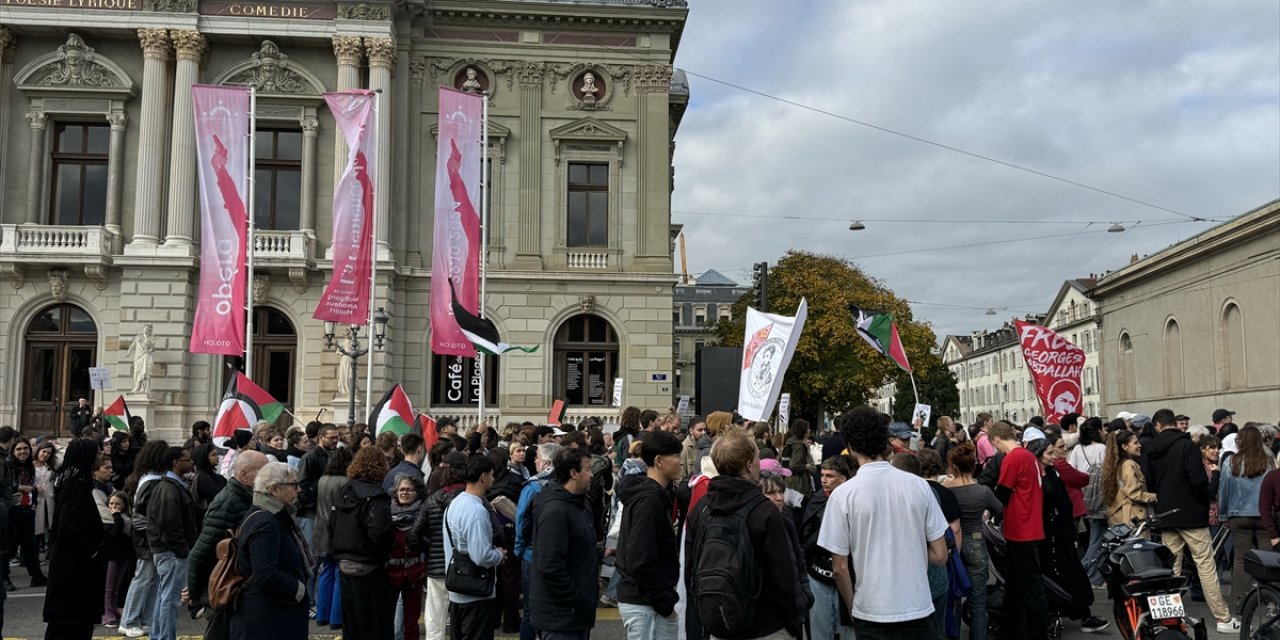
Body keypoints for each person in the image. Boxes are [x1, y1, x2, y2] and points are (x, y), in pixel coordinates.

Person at [817, 408, 946, 639]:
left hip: (871, 610)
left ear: (851, 446)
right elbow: (940, 554)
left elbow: (840, 567)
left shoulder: (843, 495)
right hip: (917, 605)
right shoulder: (919, 486)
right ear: (885, 441)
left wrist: (852, 607)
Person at [1142, 408, 1239, 632]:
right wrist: (1212, 479)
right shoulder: (1186, 445)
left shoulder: (1150, 449)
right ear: (1173, 424)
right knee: (1205, 566)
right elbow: (1197, 481)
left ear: (1157, 426)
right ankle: (1223, 619)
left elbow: (1151, 484)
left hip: (1166, 514)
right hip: (1191, 515)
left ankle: (1169, 618)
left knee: (1172, 569)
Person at [1030, 434, 1109, 633]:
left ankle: (1081, 613)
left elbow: (1063, 500)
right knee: (1055, 573)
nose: (1056, 454)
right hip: (1046, 535)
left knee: (1070, 571)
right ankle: (1065, 613)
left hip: (1060, 531)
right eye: (1051, 451)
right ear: (1039, 455)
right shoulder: (1036, 476)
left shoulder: (1053, 472)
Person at [183, 449, 268, 633]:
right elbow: (200, 553)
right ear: (244, 475)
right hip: (226, 589)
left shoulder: (246, 498)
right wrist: (197, 597)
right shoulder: (227, 503)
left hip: (237, 588)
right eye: (263, 472)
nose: (268, 478)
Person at [228, 462, 310, 637]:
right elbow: (265, 573)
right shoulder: (265, 522)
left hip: (273, 613)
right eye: (293, 485)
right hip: (269, 617)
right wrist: (298, 590)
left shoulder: (271, 516)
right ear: (274, 490)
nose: (299, 490)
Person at [615, 431, 684, 640]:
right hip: (645, 603)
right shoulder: (649, 500)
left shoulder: (651, 495)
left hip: (646, 600)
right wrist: (664, 604)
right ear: (659, 461)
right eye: (677, 456)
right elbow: (639, 560)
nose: (681, 462)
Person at [528, 448, 599, 640]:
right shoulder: (556, 510)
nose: (592, 475)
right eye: (588, 469)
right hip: (560, 618)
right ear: (573, 473)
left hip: (574, 615)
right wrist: (578, 598)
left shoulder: (580, 503)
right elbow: (550, 565)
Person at [42, 440, 107, 639]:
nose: (101, 456)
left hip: (69, 564)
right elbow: (69, 526)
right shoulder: (76, 483)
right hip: (75, 567)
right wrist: (92, 550)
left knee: (65, 623)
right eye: (97, 453)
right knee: (72, 624)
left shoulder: (69, 479)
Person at [989, 421, 1047, 640]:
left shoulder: (1013, 458)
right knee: (1014, 586)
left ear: (996, 439)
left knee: (1031, 589)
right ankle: (1010, 631)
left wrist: (988, 511)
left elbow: (1001, 493)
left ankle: (1036, 634)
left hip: (1021, 528)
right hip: (1025, 526)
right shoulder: (1027, 456)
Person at [331, 447, 394, 640]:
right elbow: (380, 533)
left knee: (352, 626)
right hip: (370, 567)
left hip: (345, 563)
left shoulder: (345, 491)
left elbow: (332, 524)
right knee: (375, 626)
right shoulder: (377, 496)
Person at [443, 455, 506, 640]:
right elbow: (481, 557)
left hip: (457, 590)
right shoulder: (477, 512)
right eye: (492, 475)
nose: (494, 479)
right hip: (476, 595)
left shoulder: (453, 505)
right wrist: (499, 555)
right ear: (483, 477)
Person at [944, 443, 1001, 640]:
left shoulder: (945, 490)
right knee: (978, 602)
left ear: (953, 465)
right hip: (976, 540)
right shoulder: (982, 491)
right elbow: (1000, 509)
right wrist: (985, 514)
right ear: (974, 465)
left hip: (952, 543)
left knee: (953, 599)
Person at [410, 450, 466, 640]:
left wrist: (430, 546)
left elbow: (414, 535)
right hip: (464, 566)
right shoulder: (472, 499)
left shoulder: (432, 500)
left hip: (436, 566)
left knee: (435, 619)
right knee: (462, 619)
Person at [800, 456, 856, 640]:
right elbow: (805, 539)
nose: (824, 480)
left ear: (843, 478)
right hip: (819, 576)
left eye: (830, 476)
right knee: (820, 632)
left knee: (850, 631)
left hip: (850, 578)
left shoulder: (855, 501)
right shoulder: (816, 500)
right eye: (822, 475)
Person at [1218, 425, 1274, 607]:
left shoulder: (1231, 461)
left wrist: (1223, 514)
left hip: (1238, 515)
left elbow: (1224, 490)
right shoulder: (1269, 461)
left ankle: (1240, 601)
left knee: (1241, 559)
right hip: (1265, 515)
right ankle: (1270, 599)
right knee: (1268, 558)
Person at [146, 447, 198, 640]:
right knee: (170, 599)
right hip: (171, 552)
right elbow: (168, 524)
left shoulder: (173, 486)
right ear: (176, 463)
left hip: (169, 550)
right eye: (187, 460)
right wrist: (181, 550)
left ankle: (159, 635)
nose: (191, 463)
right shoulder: (169, 489)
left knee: (164, 596)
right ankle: (165, 636)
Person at [118, 439, 169, 637]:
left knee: (154, 577)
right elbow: (147, 511)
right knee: (144, 576)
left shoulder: (150, 478)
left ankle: (146, 620)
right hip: (146, 534)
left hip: (149, 533)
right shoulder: (151, 480)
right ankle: (129, 620)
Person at [514, 443, 561, 640]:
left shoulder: (532, 487)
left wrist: (519, 548)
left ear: (546, 462)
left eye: (538, 458)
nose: (535, 461)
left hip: (532, 554)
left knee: (530, 612)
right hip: (559, 554)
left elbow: (521, 520)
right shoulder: (565, 484)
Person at [313, 446, 352, 630]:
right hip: (338, 530)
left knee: (326, 571)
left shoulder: (323, 480)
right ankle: (337, 617)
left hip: (320, 529)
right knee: (339, 572)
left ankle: (322, 614)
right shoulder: (345, 482)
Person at [388, 475, 427, 640]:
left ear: (417, 493)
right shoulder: (386, 512)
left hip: (415, 576)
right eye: (401, 489)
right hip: (390, 576)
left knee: (411, 623)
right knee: (386, 620)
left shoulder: (423, 514)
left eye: (409, 489)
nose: (404, 493)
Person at [8, 437, 48, 587]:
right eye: (18, 449)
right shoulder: (8, 466)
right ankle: (4, 578)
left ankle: (36, 575)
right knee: (9, 547)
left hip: (27, 510)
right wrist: (19, 488)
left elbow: (33, 487)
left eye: (25, 448)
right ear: (13, 451)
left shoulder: (29, 467)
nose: (22, 452)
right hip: (11, 511)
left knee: (30, 545)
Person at [103, 490, 134, 628]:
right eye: (111, 503)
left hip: (123, 554)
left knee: (116, 586)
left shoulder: (127, 518)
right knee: (108, 588)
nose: (113, 506)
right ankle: (106, 614)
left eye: (117, 504)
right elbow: (116, 533)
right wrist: (116, 516)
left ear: (124, 506)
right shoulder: (107, 518)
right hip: (111, 555)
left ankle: (114, 609)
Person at [190, 442, 226, 525]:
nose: (217, 457)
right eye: (213, 455)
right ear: (204, 457)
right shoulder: (203, 477)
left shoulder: (212, 475)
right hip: (208, 520)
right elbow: (217, 496)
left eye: (217, 454)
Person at [33, 441, 57, 556]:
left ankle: (49, 551)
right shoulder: (30, 465)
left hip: (49, 499)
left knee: (49, 525)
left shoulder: (50, 467)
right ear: (38, 451)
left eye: (49, 453)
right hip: (35, 500)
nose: (45, 455)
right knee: (36, 526)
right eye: (44, 451)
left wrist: (55, 445)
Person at [781, 419, 816, 494]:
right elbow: (794, 465)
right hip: (798, 484)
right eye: (807, 428)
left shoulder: (790, 442)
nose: (809, 430)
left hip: (790, 481)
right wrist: (806, 466)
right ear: (803, 430)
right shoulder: (798, 446)